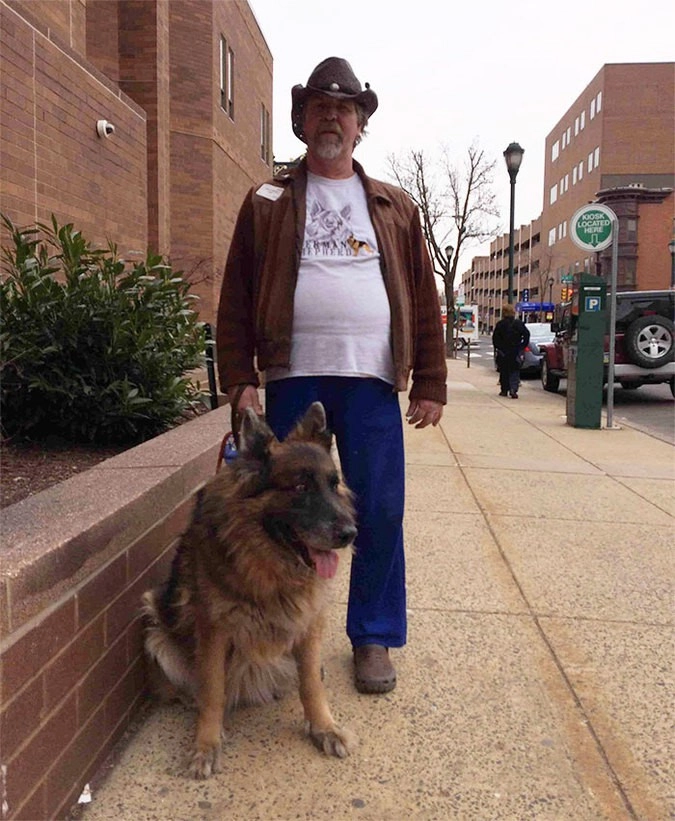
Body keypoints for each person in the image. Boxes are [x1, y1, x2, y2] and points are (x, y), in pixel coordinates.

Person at [215, 57, 447, 695]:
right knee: (290, 513)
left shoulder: (394, 206)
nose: (332, 118)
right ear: (301, 120)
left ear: (360, 125)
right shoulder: (266, 203)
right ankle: (289, 635)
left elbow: (422, 297)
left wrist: (431, 379)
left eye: (344, 109)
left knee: (380, 509)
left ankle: (372, 635)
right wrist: (239, 378)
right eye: (320, 107)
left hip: (370, 380)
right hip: (294, 378)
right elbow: (236, 296)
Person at [492, 303, 530, 398]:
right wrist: (522, 346)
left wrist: (499, 347)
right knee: (514, 371)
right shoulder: (518, 324)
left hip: (503, 351)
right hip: (515, 350)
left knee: (504, 371)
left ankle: (504, 390)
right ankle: (513, 389)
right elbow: (526, 335)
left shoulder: (500, 324)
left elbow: (495, 338)